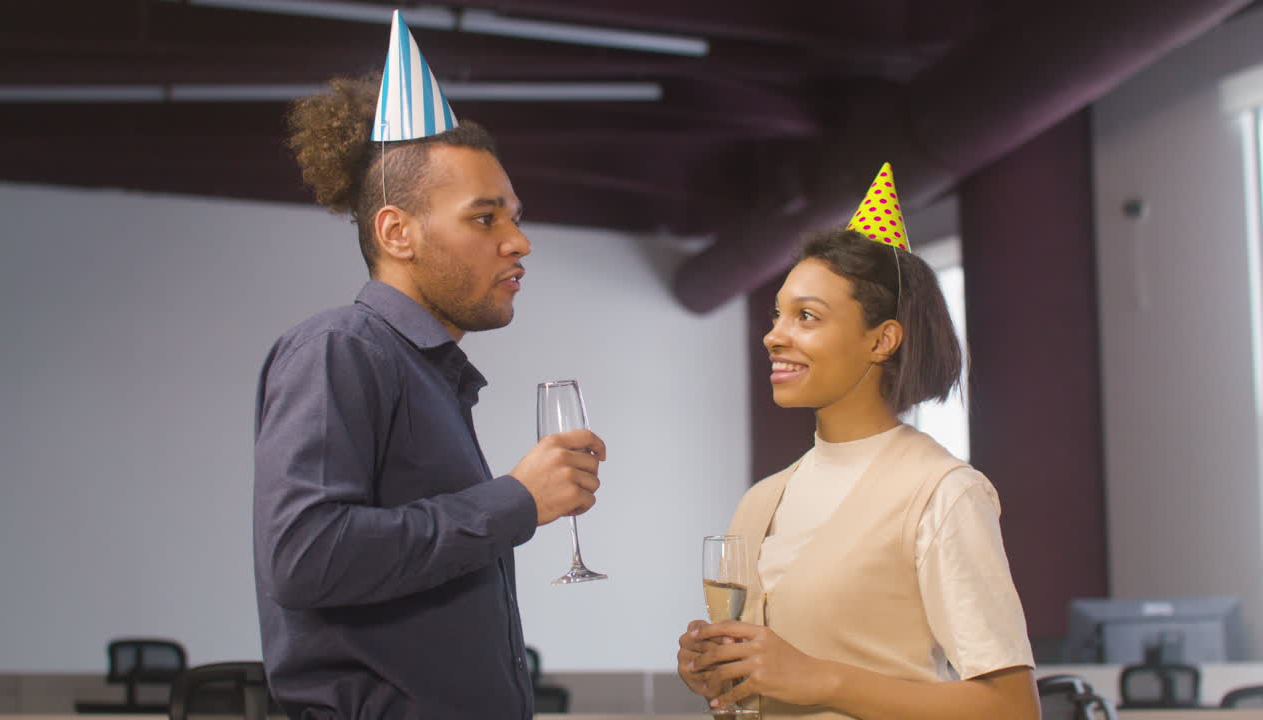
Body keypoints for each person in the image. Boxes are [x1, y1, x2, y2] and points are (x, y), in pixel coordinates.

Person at [253, 17, 605, 719]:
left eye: (514, 216)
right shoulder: (341, 348)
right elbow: (305, 555)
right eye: (485, 219)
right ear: (396, 232)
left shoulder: (431, 376)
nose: (520, 241)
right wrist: (515, 501)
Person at [676, 164, 1040, 719]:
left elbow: (1013, 710)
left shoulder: (942, 494)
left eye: (807, 316)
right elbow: (765, 681)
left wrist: (820, 679)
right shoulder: (760, 501)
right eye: (778, 314)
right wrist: (723, 674)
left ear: (882, 340)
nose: (774, 334)